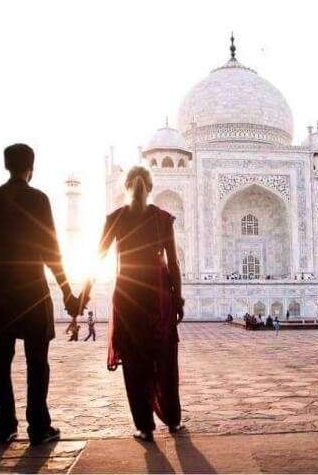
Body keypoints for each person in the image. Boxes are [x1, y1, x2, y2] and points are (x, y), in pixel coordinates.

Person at [0, 144, 79, 446]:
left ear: (6, 165)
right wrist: (67, 293)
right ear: (30, 168)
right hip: (32, 290)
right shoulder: (38, 199)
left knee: (1, 358)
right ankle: (38, 426)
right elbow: (51, 252)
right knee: (37, 360)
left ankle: (5, 424)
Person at [83, 166, 184, 442]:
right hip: (158, 292)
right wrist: (178, 298)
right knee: (164, 358)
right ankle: (173, 421)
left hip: (128, 293)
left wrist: (83, 292)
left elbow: (97, 257)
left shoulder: (116, 218)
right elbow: (173, 263)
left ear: (125, 186)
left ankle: (144, 427)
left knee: (134, 361)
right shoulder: (162, 219)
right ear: (150, 187)